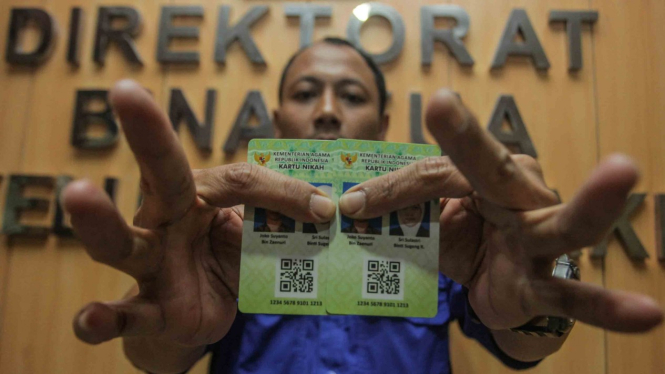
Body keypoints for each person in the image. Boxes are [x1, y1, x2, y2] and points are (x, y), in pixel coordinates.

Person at [62, 37, 663, 374]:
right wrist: (160, 319)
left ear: (379, 125)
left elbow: (526, 341)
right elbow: (154, 356)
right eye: (305, 93)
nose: (326, 108)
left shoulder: (443, 232)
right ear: (278, 122)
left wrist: (547, 276)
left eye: (350, 94)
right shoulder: (222, 234)